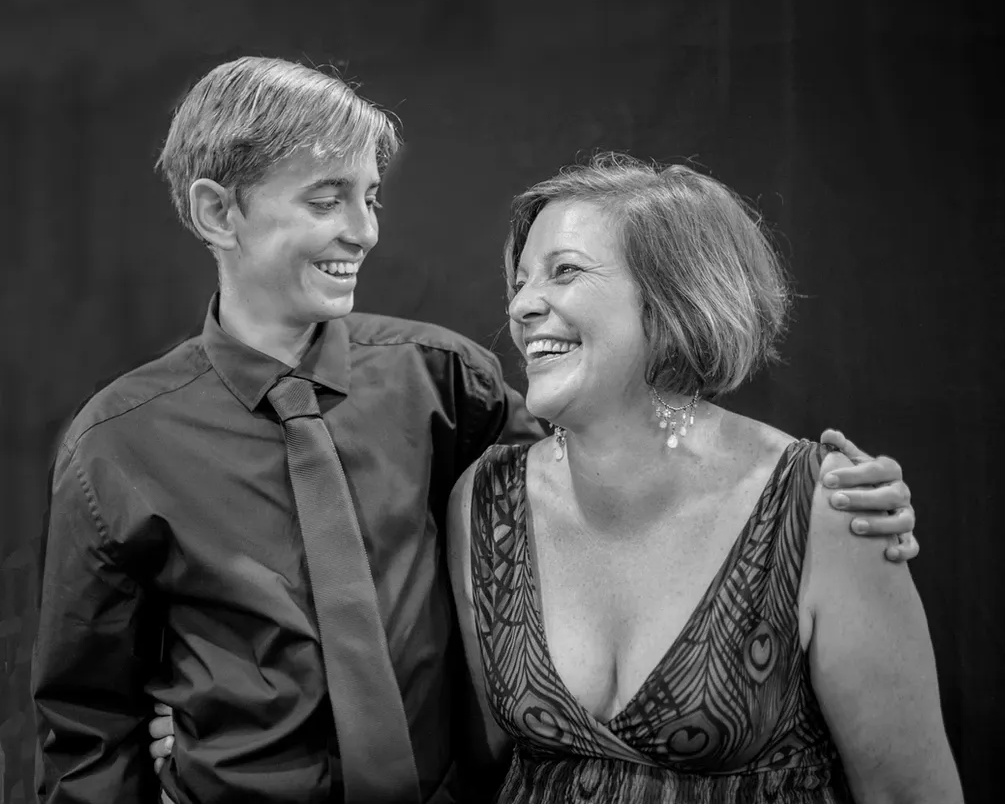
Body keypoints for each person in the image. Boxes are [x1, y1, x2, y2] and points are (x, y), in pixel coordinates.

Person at [33, 56, 915, 804]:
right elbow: (84, 722)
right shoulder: (117, 445)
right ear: (218, 212)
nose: (363, 230)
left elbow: (622, 442)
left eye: (371, 196)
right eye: (326, 198)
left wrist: (833, 496)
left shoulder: (439, 378)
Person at [441, 154, 961, 803]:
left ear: (672, 295)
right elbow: (480, 768)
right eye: (518, 282)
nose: (520, 306)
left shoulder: (825, 506)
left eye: (563, 271)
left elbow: (905, 791)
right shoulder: (486, 504)